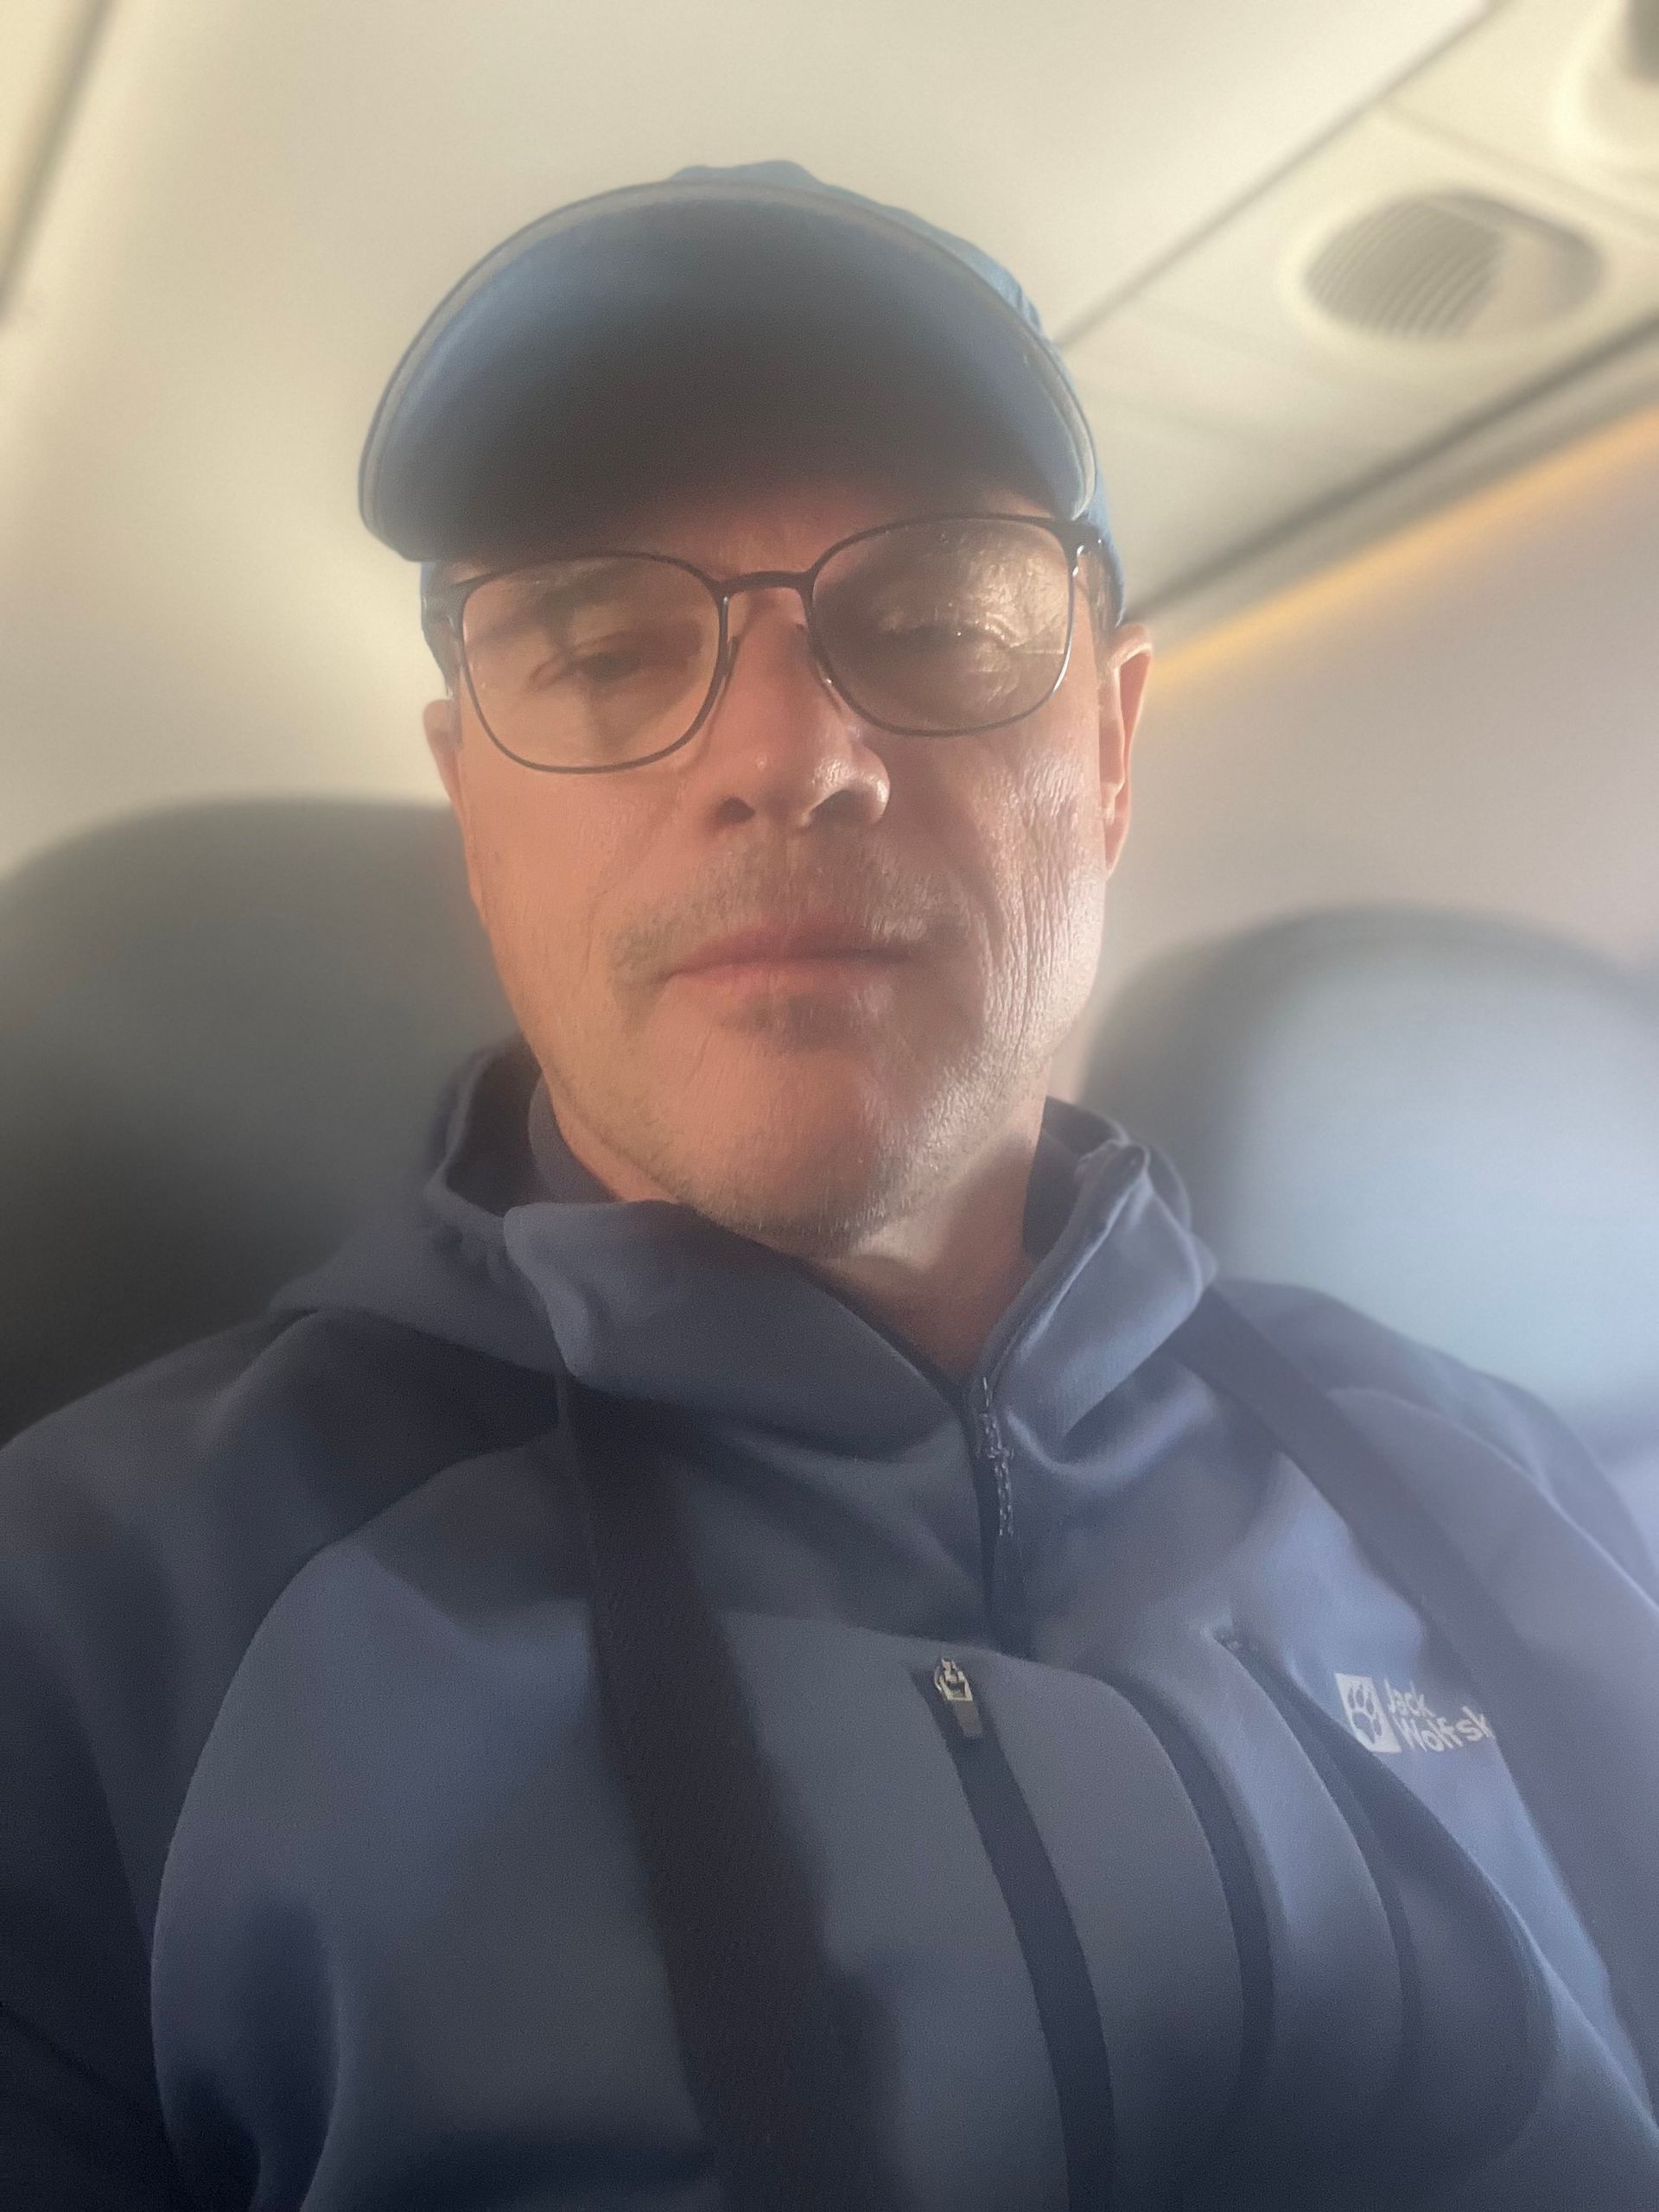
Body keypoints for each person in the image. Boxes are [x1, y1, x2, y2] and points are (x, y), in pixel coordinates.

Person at [3, 162, 1656, 2212]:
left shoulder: (1497, 1485)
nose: (789, 754)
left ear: (1113, 750)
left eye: (938, 621)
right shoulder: (83, 1642)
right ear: (473, 812)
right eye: (603, 648)